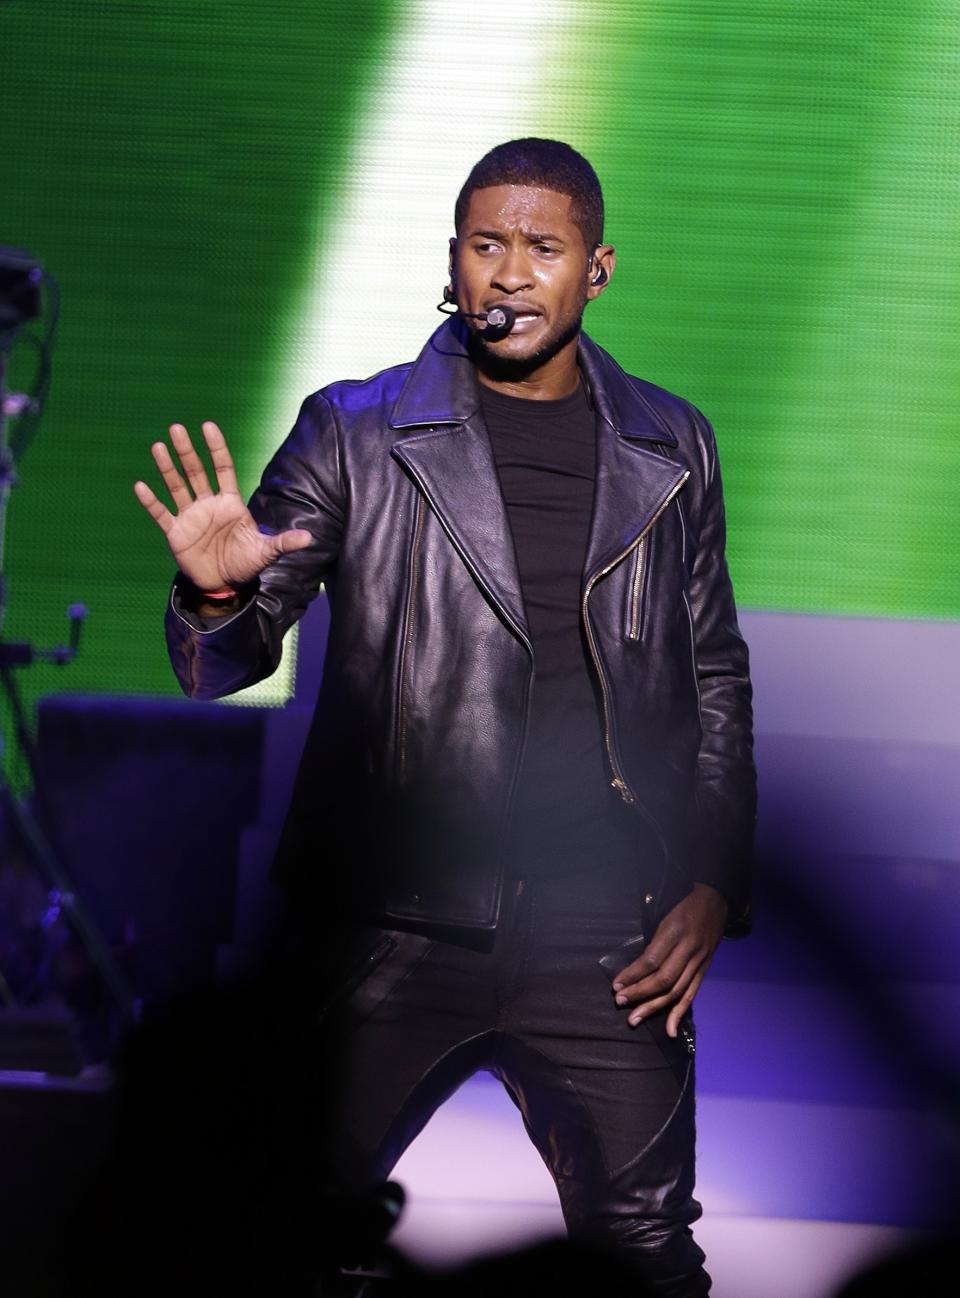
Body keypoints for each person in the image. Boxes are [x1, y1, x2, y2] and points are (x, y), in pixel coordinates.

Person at [135, 138, 755, 1296]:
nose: (509, 274)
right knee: (284, 1229)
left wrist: (713, 876)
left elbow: (713, 669)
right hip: (392, 922)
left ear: (598, 268)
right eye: (484, 245)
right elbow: (223, 662)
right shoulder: (357, 430)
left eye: (541, 247)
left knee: (650, 1254)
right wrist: (220, 588)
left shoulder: (674, 446)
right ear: (454, 261)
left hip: (604, 937)